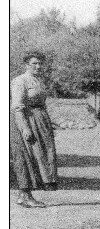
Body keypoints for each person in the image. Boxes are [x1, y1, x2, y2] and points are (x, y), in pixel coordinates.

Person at [10, 52, 58, 208]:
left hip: (39, 121)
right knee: (26, 157)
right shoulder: (19, 81)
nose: (38, 66)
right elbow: (17, 107)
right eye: (34, 63)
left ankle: (23, 195)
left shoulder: (38, 80)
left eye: (40, 63)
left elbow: (41, 103)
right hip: (25, 120)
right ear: (26, 65)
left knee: (42, 156)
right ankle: (26, 195)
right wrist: (25, 128)